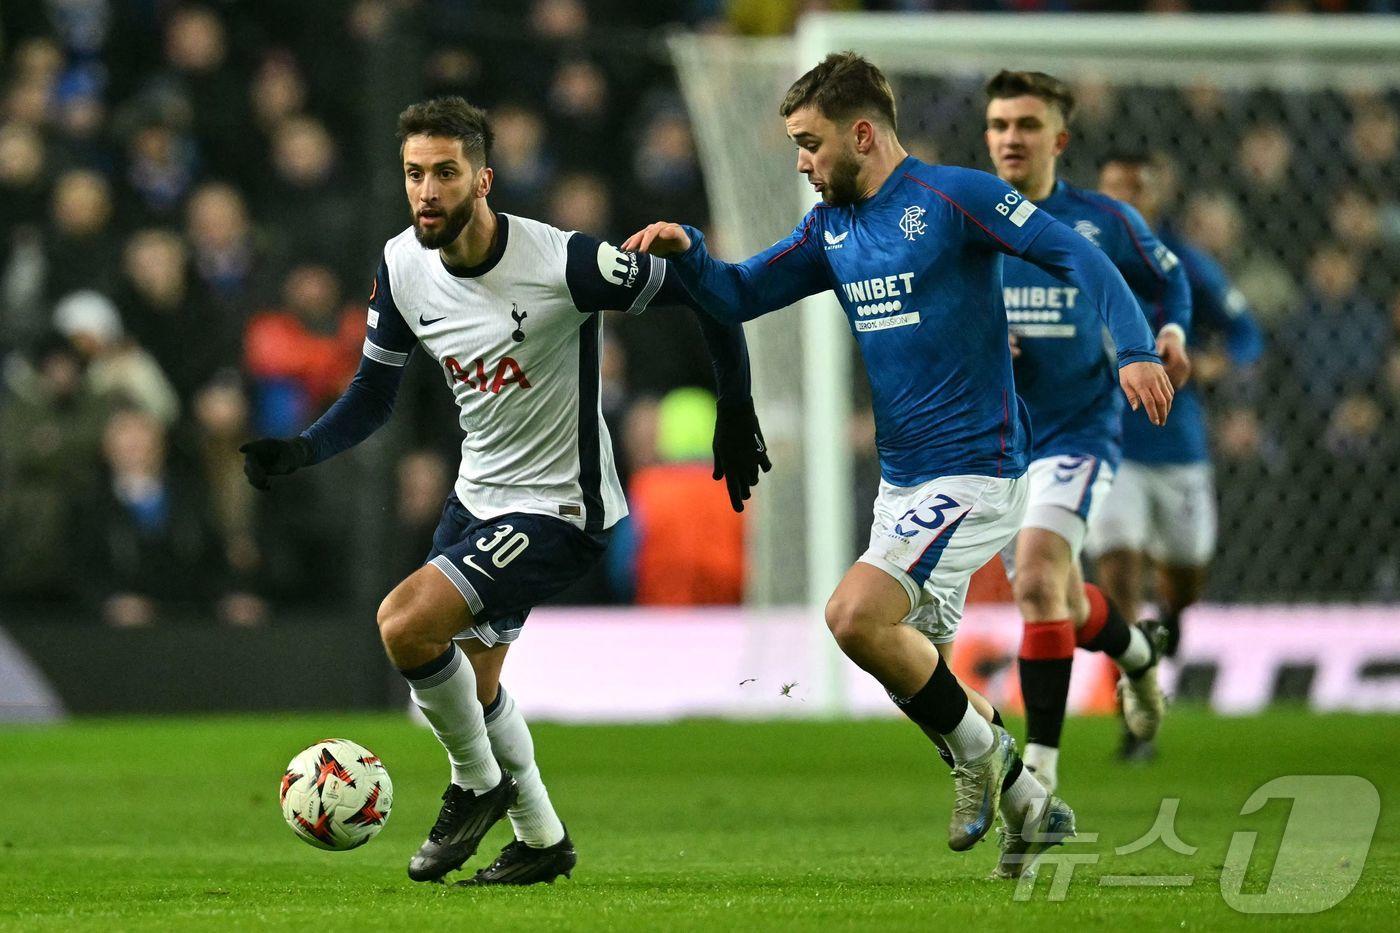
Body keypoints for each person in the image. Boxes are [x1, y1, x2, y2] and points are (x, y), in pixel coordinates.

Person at [623, 52, 1174, 880]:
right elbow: (738, 295)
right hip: (904, 484)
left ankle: (982, 760)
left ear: (863, 133)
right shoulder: (831, 227)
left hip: (979, 471)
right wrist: (690, 255)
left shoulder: (956, 198)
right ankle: (1028, 801)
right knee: (916, 672)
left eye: (809, 144)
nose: (801, 164)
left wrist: (1133, 347)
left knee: (853, 617)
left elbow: (1078, 257)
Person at [239, 97, 769, 886]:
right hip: (477, 498)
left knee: (405, 626)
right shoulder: (402, 264)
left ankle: (477, 785)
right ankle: (542, 838)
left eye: (445, 173)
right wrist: (304, 446)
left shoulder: (564, 263)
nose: (427, 190)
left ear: (483, 179)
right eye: (414, 173)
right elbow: (376, 393)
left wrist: (734, 406)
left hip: (561, 508)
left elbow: (713, 293)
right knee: (476, 686)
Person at [981, 72, 1192, 793]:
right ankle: (1136, 651)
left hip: (1079, 427)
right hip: (1000, 441)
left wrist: (1167, 331)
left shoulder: (1102, 219)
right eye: (1000, 124)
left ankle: (1038, 776)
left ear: (1058, 140)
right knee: (1062, 604)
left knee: (1038, 580)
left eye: (1027, 124)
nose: (1011, 137)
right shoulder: (965, 220)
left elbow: (1170, 278)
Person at [1096, 151, 1265, 759]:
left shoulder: (1184, 265)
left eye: (1137, 189)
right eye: (1115, 189)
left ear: (1156, 197)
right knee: (1119, 576)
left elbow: (1247, 332)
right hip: (1108, 446)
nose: (1126, 200)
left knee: (1184, 582)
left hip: (1178, 448)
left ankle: (1172, 617)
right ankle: (1136, 708)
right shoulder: (1077, 259)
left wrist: (1215, 363)